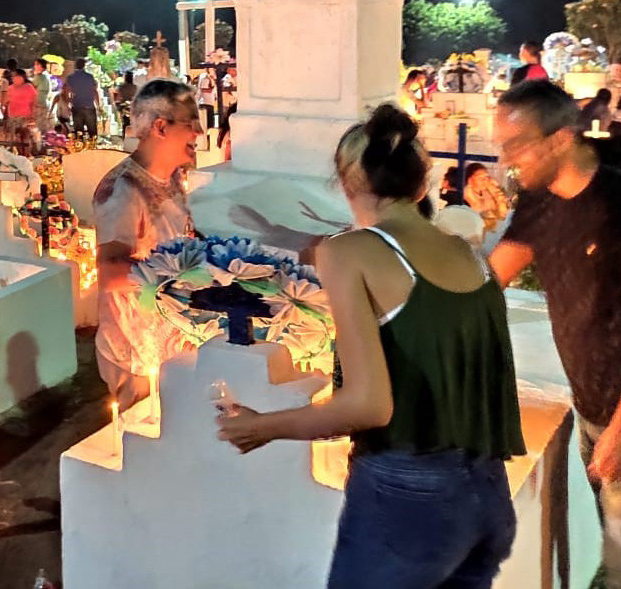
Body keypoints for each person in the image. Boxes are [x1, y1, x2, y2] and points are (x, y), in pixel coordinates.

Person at [218, 104, 524, 588]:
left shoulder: (347, 252)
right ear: (422, 185)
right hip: (485, 493)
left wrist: (263, 427)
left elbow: (369, 405)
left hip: (408, 501)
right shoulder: (466, 253)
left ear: (346, 185)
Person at [490, 79, 621, 589]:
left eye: (515, 146)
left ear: (560, 139)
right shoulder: (540, 202)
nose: (507, 161)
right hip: (594, 410)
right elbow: (489, 280)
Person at [93, 79, 201, 409]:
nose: (197, 133)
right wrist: (182, 273)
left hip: (174, 340)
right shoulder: (124, 190)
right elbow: (111, 274)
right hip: (137, 353)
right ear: (160, 127)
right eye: (190, 123)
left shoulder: (172, 177)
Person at [463, 162, 510, 233]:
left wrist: (497, 192)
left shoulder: (487, 191)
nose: (485, 181)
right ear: (470, 180)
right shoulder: (466, 194)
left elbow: (502, 213)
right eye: (481, 178)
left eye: (487, 177)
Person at [4, 68, 40, 152]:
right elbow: (7, 102)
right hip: (12, 117)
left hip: (25, 117)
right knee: (15, 139)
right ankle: (19, 154)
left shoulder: (28, 87)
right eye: (12, 77)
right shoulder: (10, 88)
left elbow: (34, 103)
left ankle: (26, 154)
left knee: (25, 137)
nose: (13, 78)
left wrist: (33, 117)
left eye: (15, 76)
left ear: (22, 77)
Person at [66, 57, 100, 137]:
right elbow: (94, 91)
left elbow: (67, 91)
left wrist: (69, 103)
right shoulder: (90, 77)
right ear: (84, 65)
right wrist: (98, 105)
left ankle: (80, 148)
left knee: (79, 133)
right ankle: (93, 148)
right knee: (92, 133)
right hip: (89, 105)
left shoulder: (71, 78)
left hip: (77, 105)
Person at [32, 58, 53, 132]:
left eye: (37, 64)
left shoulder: (39, 76)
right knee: (43, 125)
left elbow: (32, 88)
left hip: (39, 103)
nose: (35, 66)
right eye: (35, 64)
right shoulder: (46, 75)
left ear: (42, 66)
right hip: (44, 102)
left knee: (38, 126)